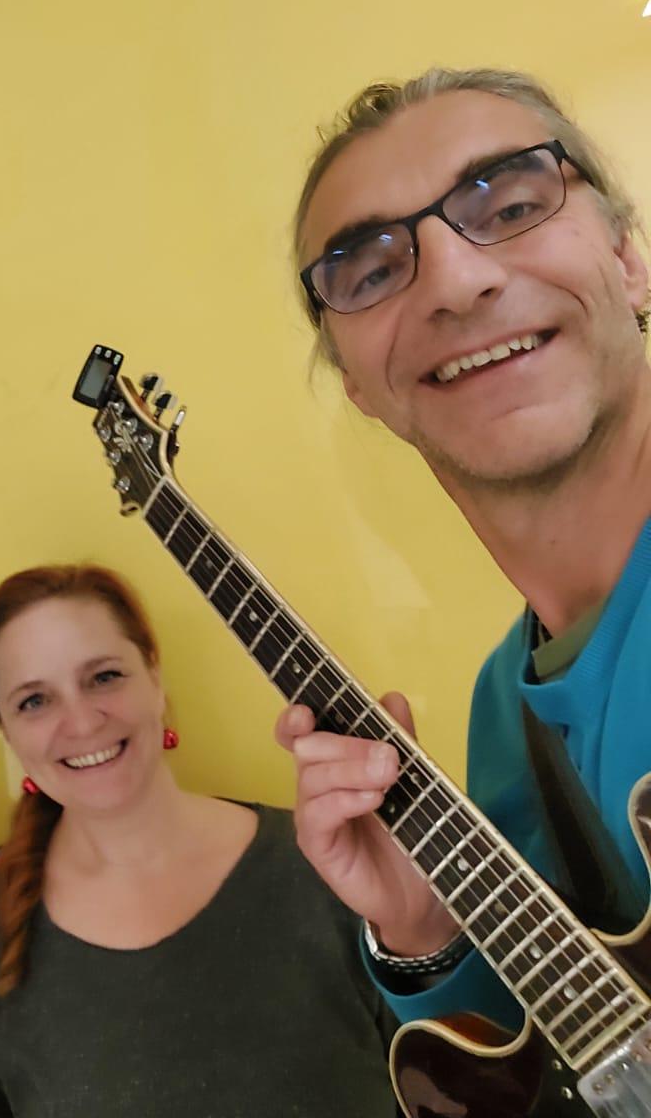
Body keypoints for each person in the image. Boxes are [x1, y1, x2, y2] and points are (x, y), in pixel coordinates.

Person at [277, 68, 651, 1032]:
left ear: (629, 260)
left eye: (513, 207)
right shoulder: (502, 719)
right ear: (360, 387)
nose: (454, 280)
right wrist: (425, 927)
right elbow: (578, 1060)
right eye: (371, 273)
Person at [0, 563, 397, 1117]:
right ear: (6, 730)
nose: (82, 723)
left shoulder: (329, 864)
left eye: (104, 677)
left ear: (154, 677)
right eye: (34, 701)